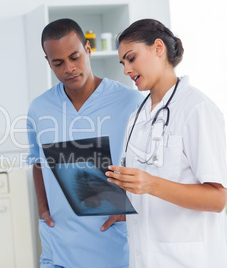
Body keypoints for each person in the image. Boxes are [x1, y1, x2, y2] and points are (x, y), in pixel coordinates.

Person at [107, 18, 227, 267]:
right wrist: (124, 204)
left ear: (158, 48)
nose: (126, 70)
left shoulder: (197, 109)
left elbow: (218, 198)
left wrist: (150, 185)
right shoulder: (137, 117)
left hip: (187, 260)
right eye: (122, 63)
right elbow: (145, 187)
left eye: (131, 58)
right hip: (144, 258)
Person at [26, 18, 143, 268]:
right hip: (58, 242)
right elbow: (37, 161)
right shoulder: (39, 108)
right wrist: (42, 207)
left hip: (111, 240)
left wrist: (132, 208)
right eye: (58, 63)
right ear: (48, 62)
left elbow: (149, 168)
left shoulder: (130, 102)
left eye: (75, 57)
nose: (69, 68)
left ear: (88, 50)